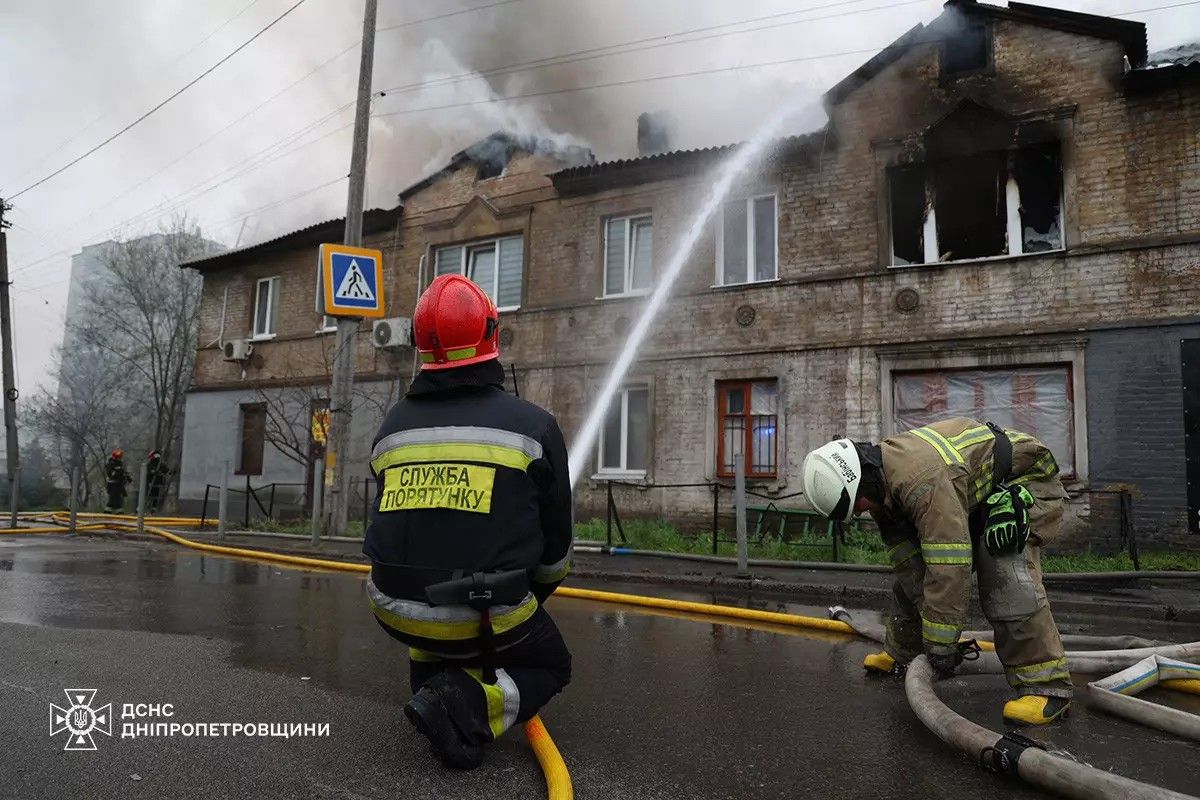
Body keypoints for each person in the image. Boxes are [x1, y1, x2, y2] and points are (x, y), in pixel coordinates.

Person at [363, 274, 574, 770]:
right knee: (552, 662)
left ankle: (437, 682)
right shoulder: (535, 426)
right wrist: (527, 599)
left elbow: (395, 526)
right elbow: (556, 553)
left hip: (392, 610)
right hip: (484, 614)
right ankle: (468, 701)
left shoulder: (390, 427)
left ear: (419, 347)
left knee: (439, 609)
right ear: (491, 334)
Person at [802, 418, 1072, 725]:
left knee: (1001, 563)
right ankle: (902, 652)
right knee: (912, 573)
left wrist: (942, 647)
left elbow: (949, 566)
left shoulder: (921, 482)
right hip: (976, 497)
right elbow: (911, 567)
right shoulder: (882, 486)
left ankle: (1047, 687)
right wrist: (927, 645)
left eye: (856, 504)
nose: (860, 512)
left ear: (862, 480)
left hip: (1025, 484)